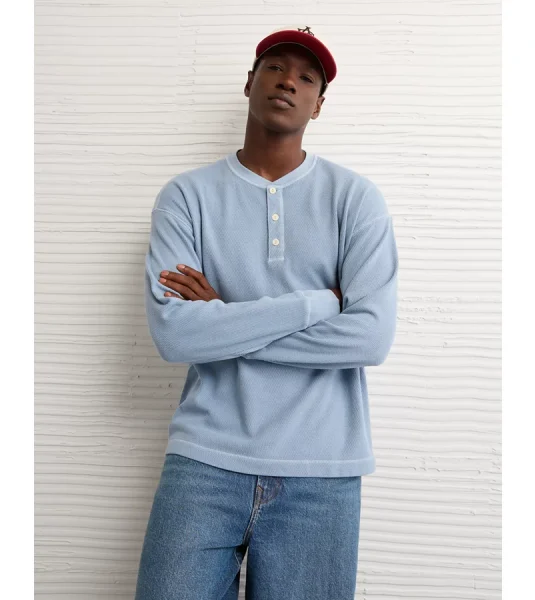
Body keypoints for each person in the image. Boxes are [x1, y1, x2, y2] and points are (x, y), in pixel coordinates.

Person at [135, 25, 399, 600]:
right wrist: (318, 303)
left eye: (307, 78)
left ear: (319, 105)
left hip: (322, 471)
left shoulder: (355, 199)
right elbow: (175, 334)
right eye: (275, 67)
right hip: (204, 461)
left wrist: (223, 321)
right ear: (250, 82)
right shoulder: (186, 196)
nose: (288, 82)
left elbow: (369, 338)